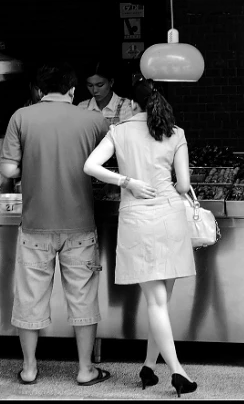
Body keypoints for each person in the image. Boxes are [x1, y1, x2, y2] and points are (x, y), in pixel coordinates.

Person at [84, 78, 198, 398]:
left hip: (138, 219)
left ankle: (166, 368)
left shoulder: (118, 131)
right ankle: (164, 368)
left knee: (155, 303)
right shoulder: (176, 133)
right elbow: (183, 184)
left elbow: (90, 166)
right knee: (161, 303)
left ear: (132, 103)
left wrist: (127, 181)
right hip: (171, 219)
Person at [0, 61, 111, 387]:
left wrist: (30, 166)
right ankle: (85, 369)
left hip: (35, 224)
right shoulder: (93, 119)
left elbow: (8, 170)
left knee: (30, 297)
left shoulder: (22, 116)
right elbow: (113, 158)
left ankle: (30, 368)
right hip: (80, 224)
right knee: (83, 297)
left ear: (38, 89)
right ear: (73, 90)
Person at [77, 61, 134, 126]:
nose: (94, 90)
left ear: (111, 82)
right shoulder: (82, 108)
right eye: (90, 85)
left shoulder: (126, 107)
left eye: (100, 85)